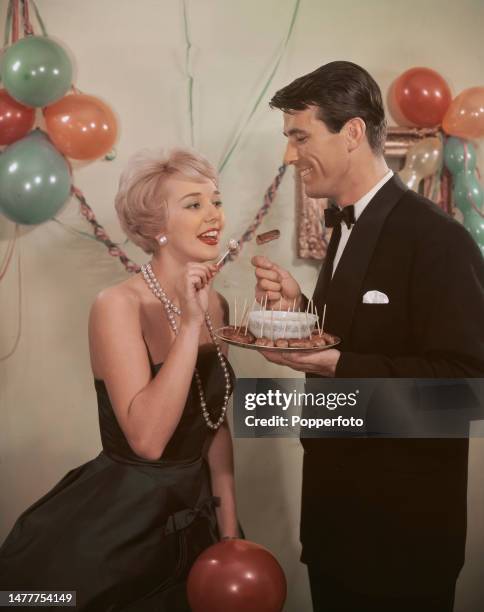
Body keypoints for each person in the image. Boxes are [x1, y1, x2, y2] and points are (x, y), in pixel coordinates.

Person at [252, 61, 484, 611]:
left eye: (299, 136)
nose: (289, 155)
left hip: (401, 539)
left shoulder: (439, 241)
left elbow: (468, 389)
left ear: (352, 132)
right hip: (335, 528)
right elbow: (361, 338)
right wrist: (299, 309)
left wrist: (336, 365)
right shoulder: (348, 224)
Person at [0, 149, 239, 611]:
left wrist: (229, 533)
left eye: (216, 201)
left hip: (198, 518)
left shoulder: (218, 306)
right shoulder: (116, 305)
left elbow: (216, 424)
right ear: (155, 227)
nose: (214, 215)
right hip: (124, 526)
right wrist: (189, 327)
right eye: (193, 204)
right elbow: (148, 440)